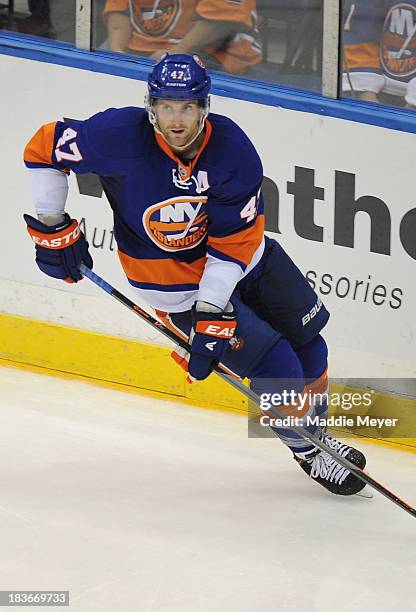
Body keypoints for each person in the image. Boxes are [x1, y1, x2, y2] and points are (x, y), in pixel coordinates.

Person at [23, 53, 367, 496]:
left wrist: (214, 310)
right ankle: (307, 451)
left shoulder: (233, 150)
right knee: (275, 364)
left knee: (311, 348)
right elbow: (42, 146)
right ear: (152, 106)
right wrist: (53, 224)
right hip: (174, 286)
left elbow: (233, 244)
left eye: (187, 106)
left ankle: (313, 436)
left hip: (247, 260)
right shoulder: (117, 135)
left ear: (205, 106)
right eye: (167, 106)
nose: (177, 118)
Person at [103, 0, 261, 75]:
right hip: (144, 45)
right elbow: (119, 12)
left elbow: (220, 23)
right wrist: (116, 52)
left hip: (215, 50)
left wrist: (177, 52)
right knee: (102, 60)